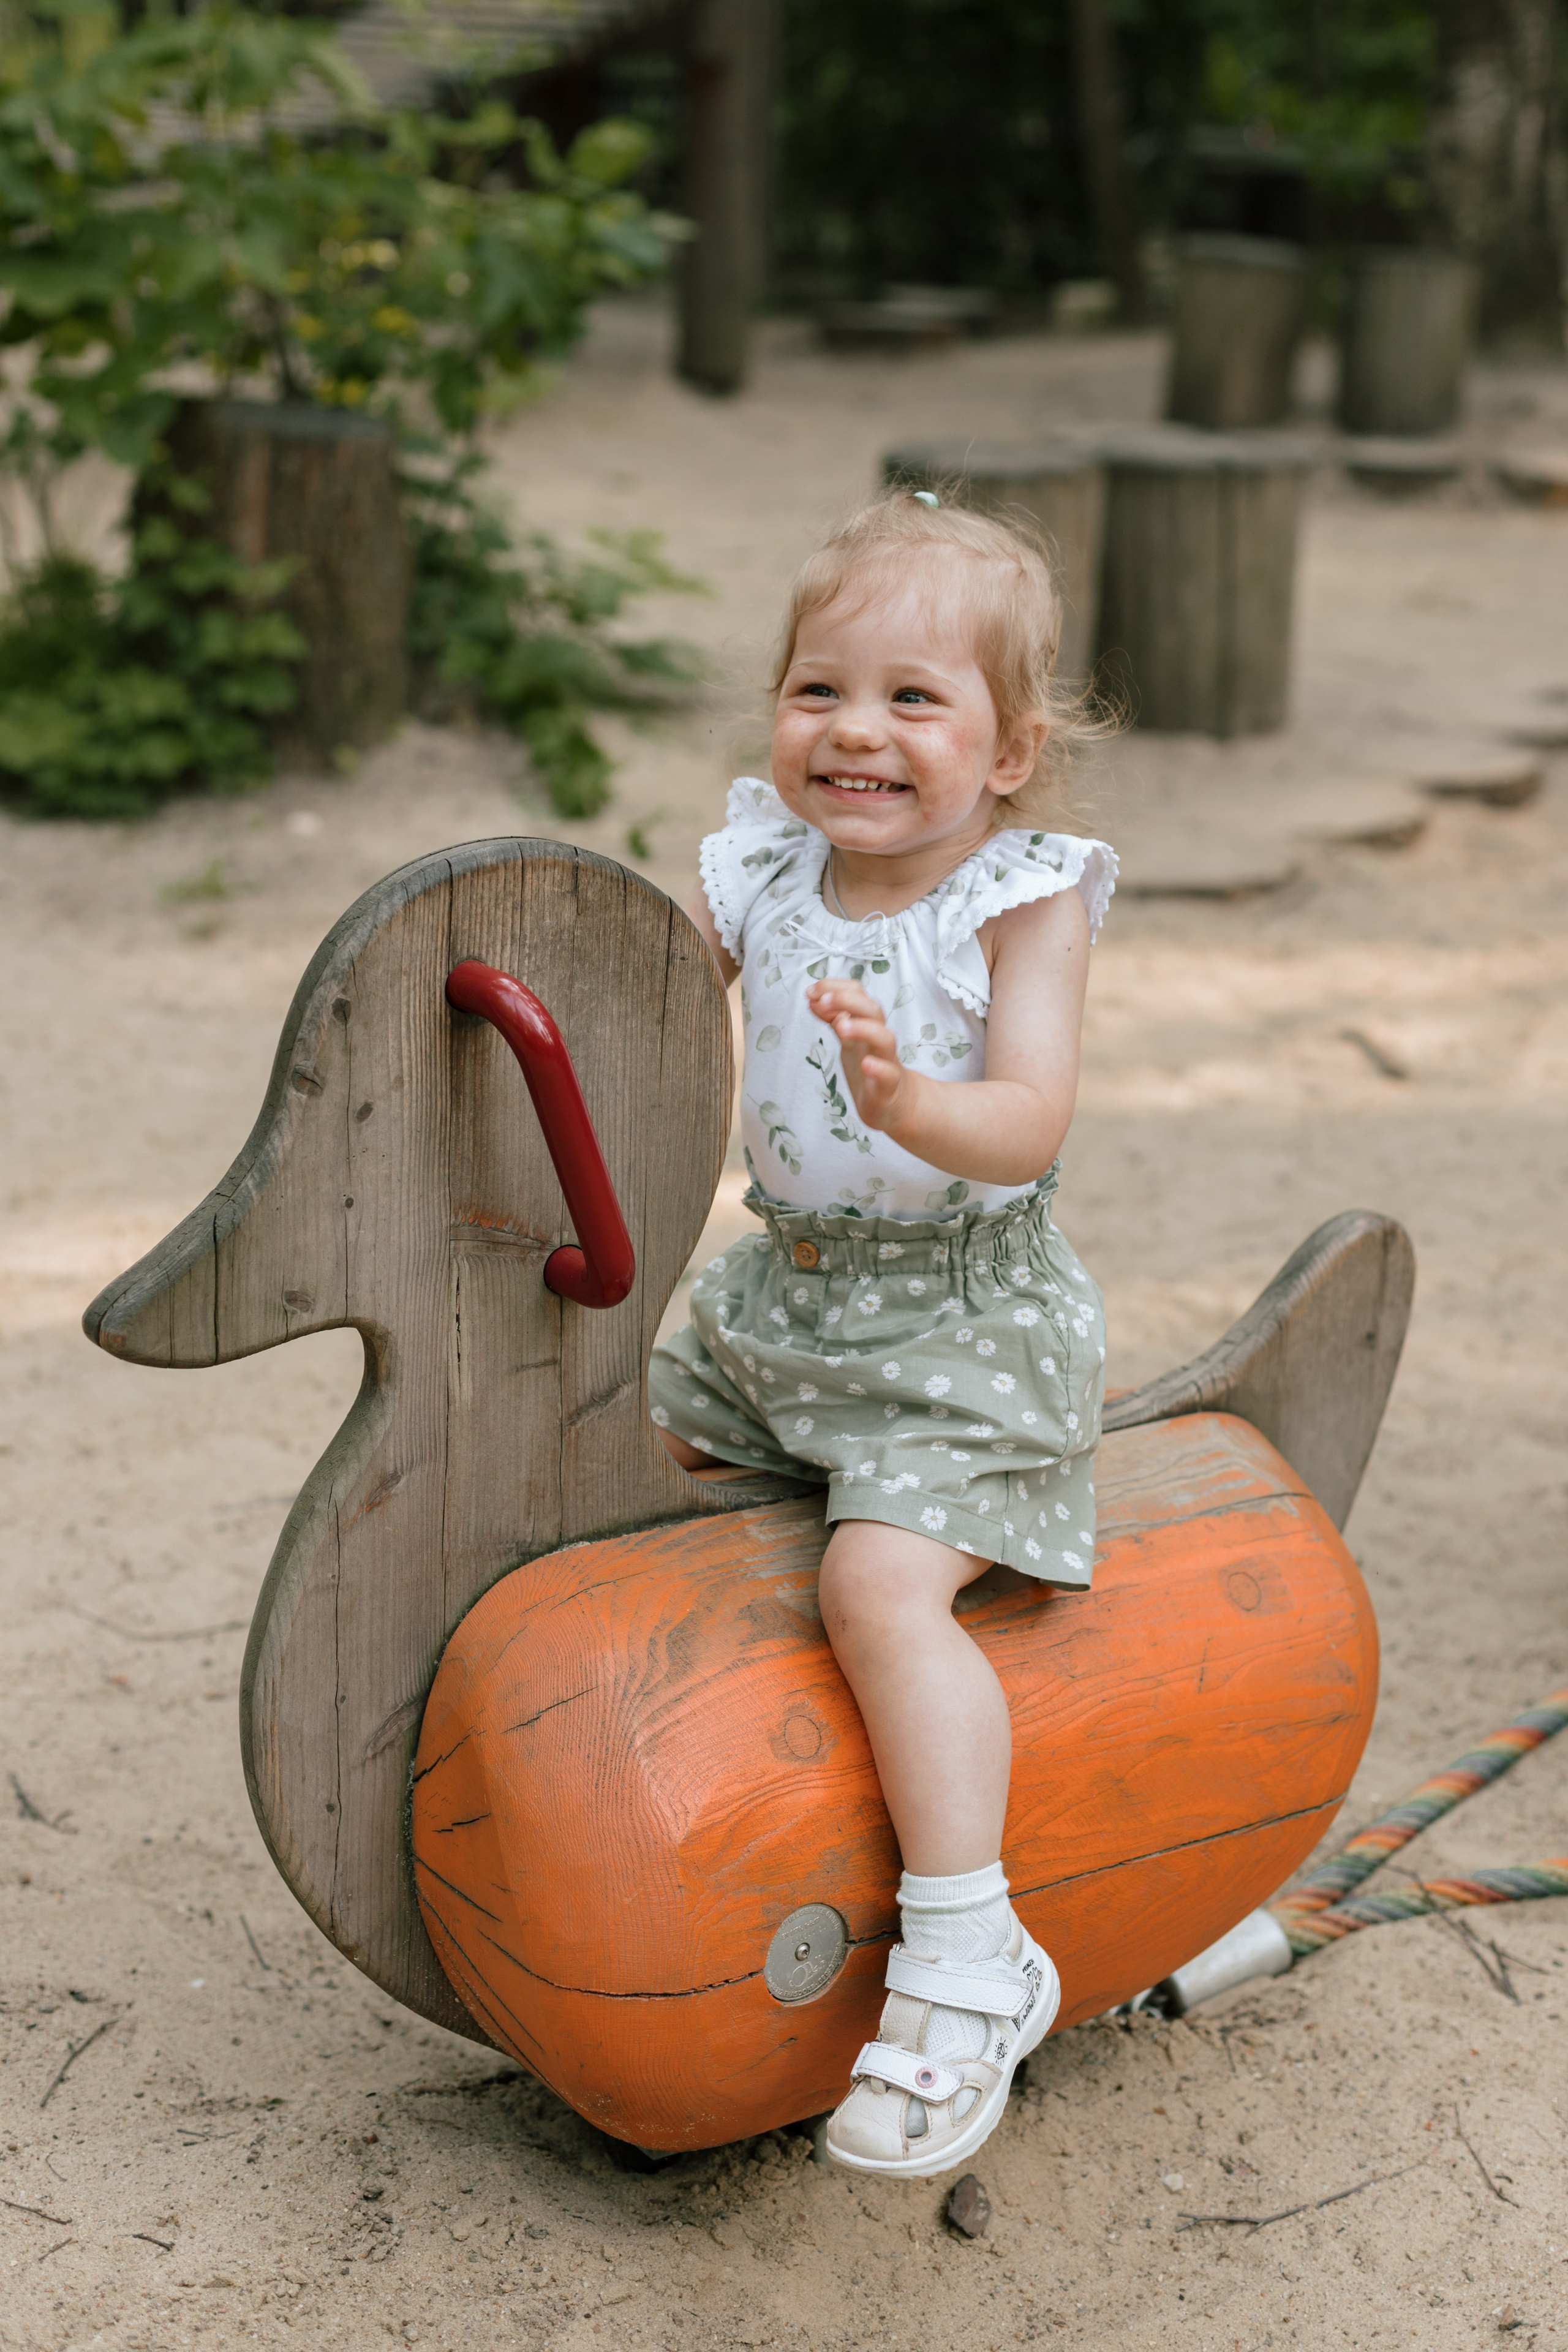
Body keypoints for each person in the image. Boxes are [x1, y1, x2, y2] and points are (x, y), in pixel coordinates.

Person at [649, 489, 1117, 2178]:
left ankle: (967, 1949)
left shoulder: (1018, 898)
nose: (857, 731)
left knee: (875, 1580)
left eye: (916, 699)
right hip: (786, 1299)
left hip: (953, 1329)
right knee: (616, 1438)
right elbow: (640, 992)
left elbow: (1034, 1122)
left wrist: (919, 1098)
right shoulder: (757, 859)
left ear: (1008, 750)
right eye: (819, 689)